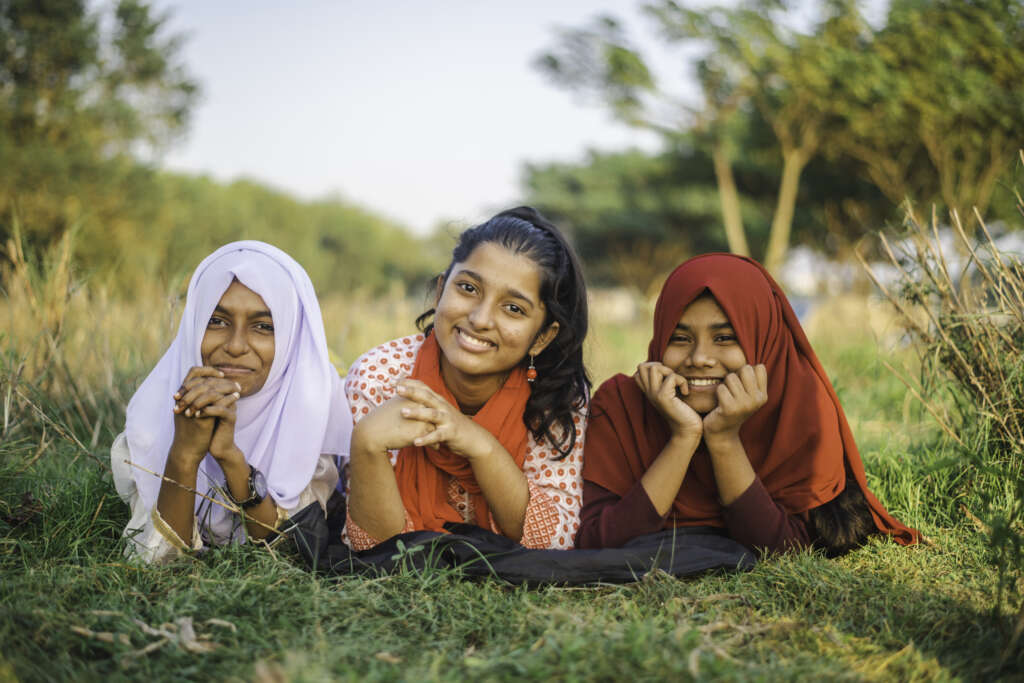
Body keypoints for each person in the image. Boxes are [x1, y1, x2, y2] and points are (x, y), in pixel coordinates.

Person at [578, 253, 919, 554]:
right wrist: (683, 438)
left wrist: (724, 439)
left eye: (725, 338)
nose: (699, 358)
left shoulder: (799, 407)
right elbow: (597, 541)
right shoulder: (622, 406)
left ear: (764, 340)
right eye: (680, 338)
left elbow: (781, 549)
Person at [343, 207, 590, 551]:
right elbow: (371, 550)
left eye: (514, 309)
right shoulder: (380, 377)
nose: (480, 318)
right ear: (442, 289)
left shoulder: (557, 398)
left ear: (542, 337)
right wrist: (367, 442)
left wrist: (479, 445)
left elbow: (558, 542)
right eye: (468, 288)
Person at [111, 241, 352, 564]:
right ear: (194, 325)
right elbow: (157, 561)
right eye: (217, 321)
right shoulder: (151, 420)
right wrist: (183, 453)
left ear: (291, 338)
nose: (236, 346)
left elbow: (290, 554)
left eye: (264, 327)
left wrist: (230, 457)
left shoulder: (311, 413)